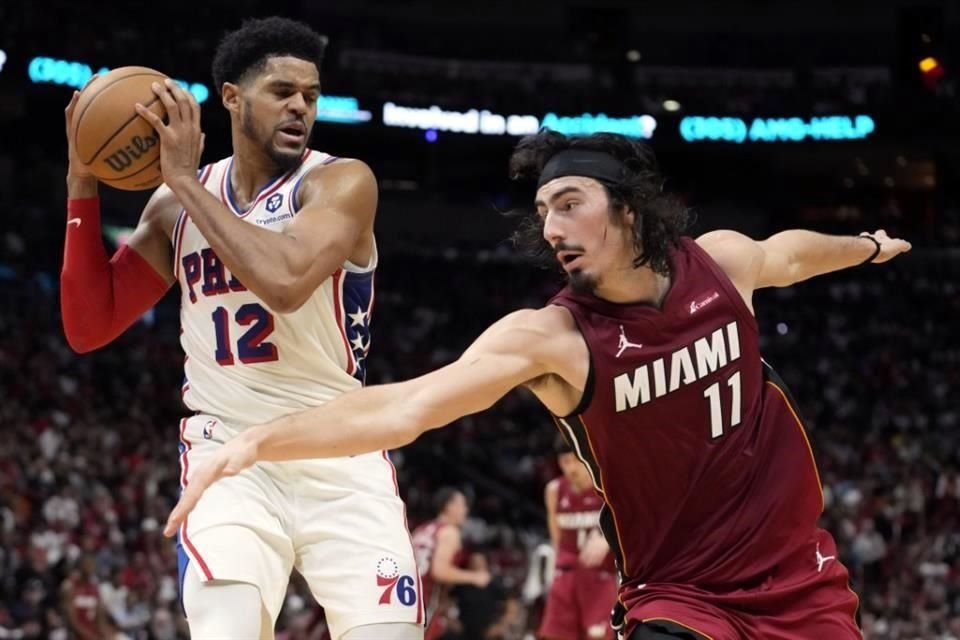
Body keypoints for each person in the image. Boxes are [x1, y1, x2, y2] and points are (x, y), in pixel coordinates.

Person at [164, 129, 913, 640]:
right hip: (680, 596)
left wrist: (869, 245)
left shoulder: (719, 263)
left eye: (568, 203)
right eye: (542, 213)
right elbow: (407, 405)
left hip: (797, 576)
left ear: (628, 207)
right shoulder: (551, 338)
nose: (551, 226)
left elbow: (789, 255)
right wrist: (260, 441)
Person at [61, 16, 423, 640]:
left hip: (339, 449)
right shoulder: (177, 205)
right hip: (229, 457)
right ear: (231, 97)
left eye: (310, 95)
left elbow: (284, 283)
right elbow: (89, 326)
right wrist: (82, 180)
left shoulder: (339, 182)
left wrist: (179, 180)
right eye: (281, 91)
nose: (300, 107)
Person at [539, 436, 618, 640]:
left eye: (576, 460)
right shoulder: (554, 490)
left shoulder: (607, 486)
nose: (571, 468)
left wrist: (607, 538)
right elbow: (557, 540)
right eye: (566, 462)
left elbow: (631, 527)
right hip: (566, 578)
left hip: (601, 577)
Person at [411, 488, 491, 640]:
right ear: (449, 506)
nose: (465, 510)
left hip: (405, 595)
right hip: (425, 601)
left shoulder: (422, 529)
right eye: (462, 505)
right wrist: (475, 577)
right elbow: (439, 571)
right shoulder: (449, 532)